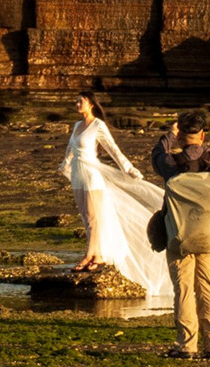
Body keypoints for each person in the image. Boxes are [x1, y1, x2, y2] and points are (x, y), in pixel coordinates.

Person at [58, 91, 172, 296]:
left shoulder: (97, 125)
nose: (77, 104)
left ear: (91, 104)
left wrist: (129, 169)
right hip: (77, 172)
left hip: (92, 173)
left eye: (81, 101)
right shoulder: (77, 126)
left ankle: (92, 255)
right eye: (76, 101)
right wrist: (64, 165)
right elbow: (70, 148)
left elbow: (113, 150)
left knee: (94, 216)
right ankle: (96, 254)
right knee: (85, 216)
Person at [152, 110, 210, 360]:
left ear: (181, 134)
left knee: (184, 289)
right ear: (203, 134)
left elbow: (156, 157)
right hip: (209, 235)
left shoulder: (171, 164)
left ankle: (187, 345)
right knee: (209, 287)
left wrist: (168, 137)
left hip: (178, 235)